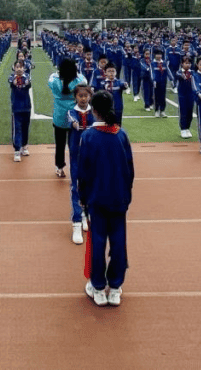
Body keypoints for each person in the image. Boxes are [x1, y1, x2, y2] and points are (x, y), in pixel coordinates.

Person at [76, 90, 134, 308]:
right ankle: (116, 286)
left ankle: (98, 287)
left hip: (97, 199)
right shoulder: (121, 135)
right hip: (119, 198)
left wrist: (83, 199)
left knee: (98, 243)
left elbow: (83, 172)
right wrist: (126, 195)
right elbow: (130, 170)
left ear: (94, 110)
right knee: (119, 243)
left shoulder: (88, 136)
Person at [48, 58, 87, 178]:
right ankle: (76, 167)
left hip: (59, 114)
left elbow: (51, 78)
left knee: (60, 144)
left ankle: (59, 167)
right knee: (74, 144)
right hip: (75, 115)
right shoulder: (80, 81)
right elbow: (84, 80)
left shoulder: (54, 80)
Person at [67, 84, 96, 244]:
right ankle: (76, 222)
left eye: (86, 96)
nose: (83, 99)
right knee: (76, 187)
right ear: (76, 97)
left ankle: (86, 214)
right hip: (77, 156)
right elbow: (71, 119)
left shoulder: (95, 113)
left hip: (92, 156)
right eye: (80, 96)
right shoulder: (72, 112)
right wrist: (75, 124)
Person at [9, 61, 32, 162]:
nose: (19, 69)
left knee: (25, 127)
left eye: (21, 67)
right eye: (17, 67)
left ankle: (24, 145)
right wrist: (15, 80)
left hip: (26, 106)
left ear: (24, 68)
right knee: (17, 128)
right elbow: (12, 84)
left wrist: (23, 81)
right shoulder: (11, 77)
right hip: (16, 107)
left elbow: (28, 84)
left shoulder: (27, 76)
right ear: (13, 68)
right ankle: (17, 150)